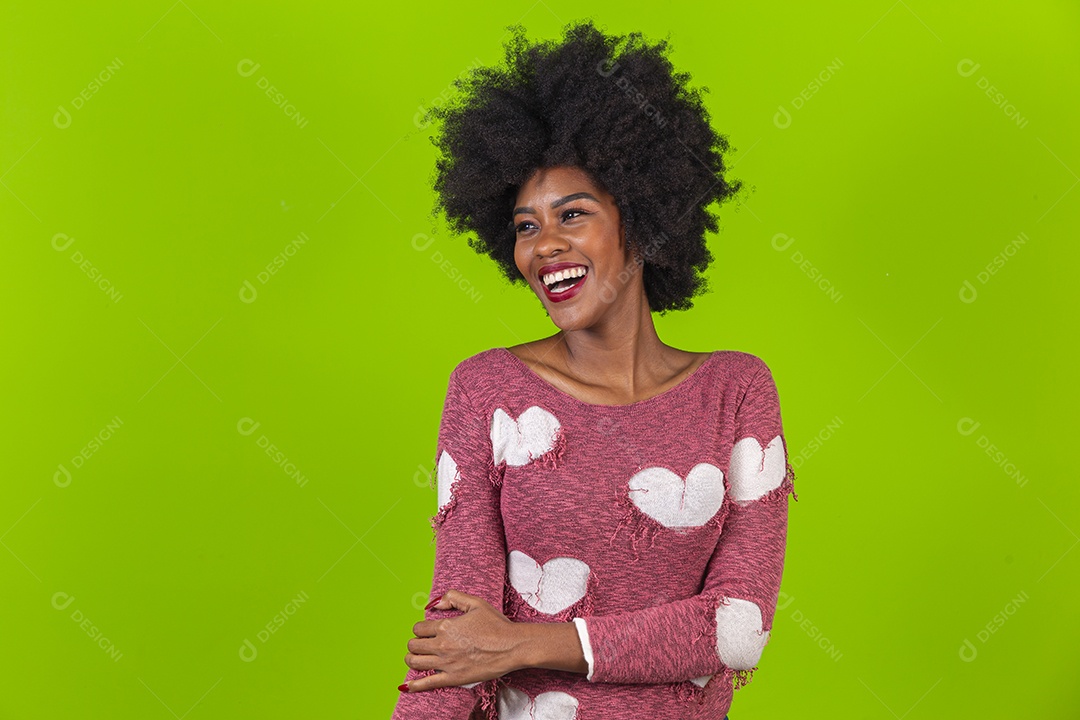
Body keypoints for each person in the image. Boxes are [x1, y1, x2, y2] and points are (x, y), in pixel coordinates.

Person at [391, 19, 797, 720]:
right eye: (525, 226)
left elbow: (738, 628)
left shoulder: (736, 393)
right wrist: (478, 656)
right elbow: (458, 637)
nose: (544, 246)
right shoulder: (486, 390)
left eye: (571, 215)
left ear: (638, 220)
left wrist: (524, 644)